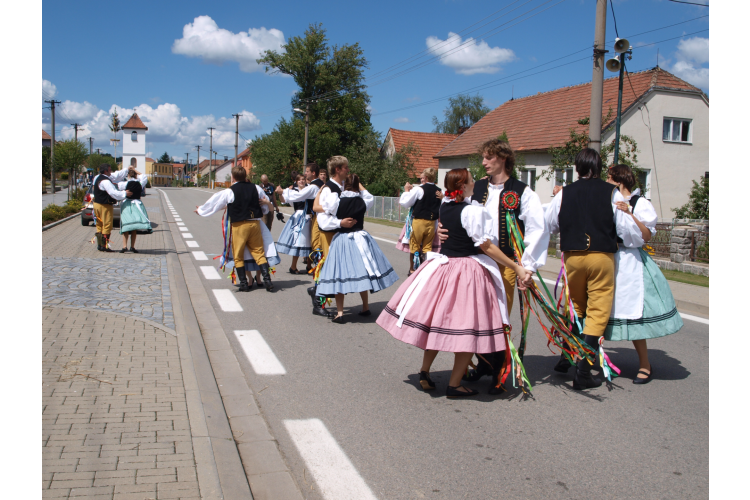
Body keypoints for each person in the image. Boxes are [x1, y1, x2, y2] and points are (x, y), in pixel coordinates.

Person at [377, 168, 532, 398]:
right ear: (465, 186)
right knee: (468, 328)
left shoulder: (446, 206)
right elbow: (486, 246)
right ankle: (455, 383)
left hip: (443, 267)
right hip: (465, 270)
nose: (475, 184)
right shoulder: (471, 211)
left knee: (437, 323)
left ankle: (425, 371)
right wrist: (517, 267)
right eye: (471, 181)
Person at [439, 139, 549, 386]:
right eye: (484, 157)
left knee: (498, 318)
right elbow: (454, 215)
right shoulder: (475, 187)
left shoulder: (522, 191)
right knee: (475, 318)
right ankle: (483, 364)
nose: (483, 162)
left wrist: (527, 266)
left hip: (506, 263)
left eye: (488, 157)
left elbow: (537, 230)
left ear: (503, 158)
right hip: (474, 263)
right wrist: (441, 229)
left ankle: (499, 371)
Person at [545, 149, 644, 390]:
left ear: (578, 168)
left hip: (573, 257)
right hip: (601, 256)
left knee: (576, 306)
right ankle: (584, 370)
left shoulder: (564, 193)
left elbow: (550, 223)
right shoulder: (612, 192)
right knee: (598, 310)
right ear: (599, 168)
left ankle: (568, 355)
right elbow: (625, 229)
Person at [603, 164, 683, 384]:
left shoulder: (641, 204)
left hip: (633, 262)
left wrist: (629, 213)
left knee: (636, 312)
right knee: (601, 311)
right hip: (610, 259)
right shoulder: (607, 201)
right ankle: (593, 359)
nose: (606, 182)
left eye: (609, 179)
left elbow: (646, 236)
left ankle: (645, 364)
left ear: (619, 182)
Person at [316, 174, 398, 323]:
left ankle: (340, 313)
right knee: (362, 271)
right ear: (357, 185)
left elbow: (322, 218)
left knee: (338, 274)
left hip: (342, 239)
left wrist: (338, 221)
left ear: (344, 185)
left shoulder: (337, 201)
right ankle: (365, 307)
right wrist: (358, 184)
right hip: (360, 238)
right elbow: (369, 196)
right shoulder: (362, 201)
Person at [194, 165, 276, 292]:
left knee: (238, 255)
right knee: (259, 253)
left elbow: (215, 203)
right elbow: (264, 206)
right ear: (245, 176)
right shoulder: (256, 188)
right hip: (255, 224)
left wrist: (201, 210)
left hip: (239, 225)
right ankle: (267, 281)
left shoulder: (230, 191)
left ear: (233, 177)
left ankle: (243, 283)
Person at [308, 157, 352, 317]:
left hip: (338, 233)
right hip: (329, 234)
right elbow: (324, 220)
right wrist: (341, 222)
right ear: (338, 169)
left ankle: (316, 291)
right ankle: (318, 302)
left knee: (335, 269)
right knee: (327, 267)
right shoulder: (329, 189)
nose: (348, 169)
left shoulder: (340, 187)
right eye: (346, 167)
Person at [398, 167, 443, 276]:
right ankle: (424, 269)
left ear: (426, 178)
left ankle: (413, 269)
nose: (421, 179)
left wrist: (407, 191)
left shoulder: (419, 189)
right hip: (432, 223)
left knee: (415, 245)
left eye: (422, 177)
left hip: (419, 221)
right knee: (427, 247)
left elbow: (405, 203)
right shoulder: (439, 190)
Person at [276, 174, 313, 273]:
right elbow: (284, 200)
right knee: (298, 241)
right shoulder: (293, 192)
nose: (301, 181)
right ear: (296, 182)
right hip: (299, 217)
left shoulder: (309, 189)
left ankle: (309, 266)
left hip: (309, 217)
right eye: (299, 180)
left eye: (303, 179)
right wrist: (280, 193)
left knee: (311, 241)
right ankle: (293, 266)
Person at [92, 164, 130, 252]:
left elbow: (116, 175)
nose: (111, 171)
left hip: (97, 204)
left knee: (100, 224)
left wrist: (126, 170)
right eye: (110, 170)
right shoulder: (105, 181)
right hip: (104, 205)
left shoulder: (98, 177)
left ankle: (100, 245)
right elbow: (113, 193)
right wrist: (125, 194)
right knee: (107, 224)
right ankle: (104, 246)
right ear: (106, 171)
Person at [117, 169, 151, 253]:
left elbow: (118, 185)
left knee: (126, 225)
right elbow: (144, 177)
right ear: (136, 176)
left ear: (128, 176)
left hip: (127, 205)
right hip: (137, 205)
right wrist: (136, 171)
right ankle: (132, 246)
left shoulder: (125, 184)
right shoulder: (139, 183)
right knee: (134, 227)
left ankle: (124, 246)